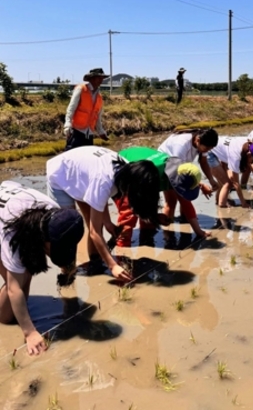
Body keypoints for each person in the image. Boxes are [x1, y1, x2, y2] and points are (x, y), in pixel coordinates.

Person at [46, 146, 161, 281]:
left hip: (81, 175)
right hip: (61, 174)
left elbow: (100, 196)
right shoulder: (105, 180)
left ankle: (95, 266)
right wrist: (112, 265)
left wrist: (106, 222)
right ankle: (67, 276)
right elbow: (95, 232)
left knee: (97, 223)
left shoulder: (127, 172)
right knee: (69, 230)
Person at [0, 181, 84, 355]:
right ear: (44, 239)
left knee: (27, 270)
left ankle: (20, 314)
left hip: (11, 200)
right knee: (8, 308)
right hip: (4, 221)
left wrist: (68, 269)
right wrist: (29, 332)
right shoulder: (13, 235)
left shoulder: (54, 214)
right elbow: (14, 288)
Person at [116, 146, 212, 242]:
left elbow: (186, 204)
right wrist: (153, 217)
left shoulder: (179, 170)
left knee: (149, 218)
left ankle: (146, 239)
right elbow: (139, 201)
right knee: (128, 215)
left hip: (145, 172)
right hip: (122, 170)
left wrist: (199, 231)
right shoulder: (151, 173)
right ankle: (122, 249)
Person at [207, 135, 253, 207]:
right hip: (210, 152)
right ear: (249, 154)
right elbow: (236, 183)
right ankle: (222, 206)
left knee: (223, 183)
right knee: (227, 184)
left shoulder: (249, 143)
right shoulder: (235, 156)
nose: (252, 161)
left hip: (218, 144)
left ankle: (218, 202)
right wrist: (243, 202)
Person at [64, 68, 109, 151]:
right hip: (76, 132)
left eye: (102, 78)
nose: (101, 80)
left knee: (87, 161)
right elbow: (71, 108)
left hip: (89, 135)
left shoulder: (99, 97)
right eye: (99, 77)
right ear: (92, 78)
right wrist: (67, 125)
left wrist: (101, 132)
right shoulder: (81, 89)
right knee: (71, 159)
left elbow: (97, 117)